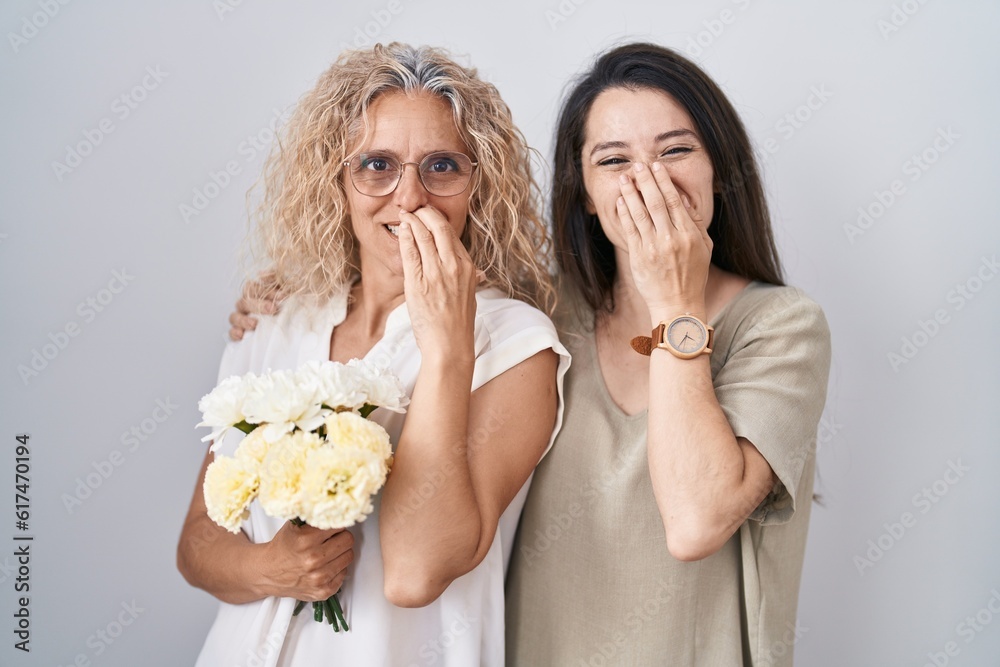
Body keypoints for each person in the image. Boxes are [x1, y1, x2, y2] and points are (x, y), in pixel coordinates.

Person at [230, 42, 831, 666]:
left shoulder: (783, 328)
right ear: (587, 195)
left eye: (675, 151)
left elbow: (695, 521)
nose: (648, 182)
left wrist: (675, 304)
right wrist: (299, 287)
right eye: (613, 159)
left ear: (721, 172)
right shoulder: (542, 317)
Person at [178, 43, 570, 667]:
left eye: (442, 166)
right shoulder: (278, 324)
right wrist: (270, 566)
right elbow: (197, 546)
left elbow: (414, 575)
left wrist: (447, 351)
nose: (409, 197)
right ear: (338, 178)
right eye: (377, 164)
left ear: (480, 184)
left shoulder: (516, 346)